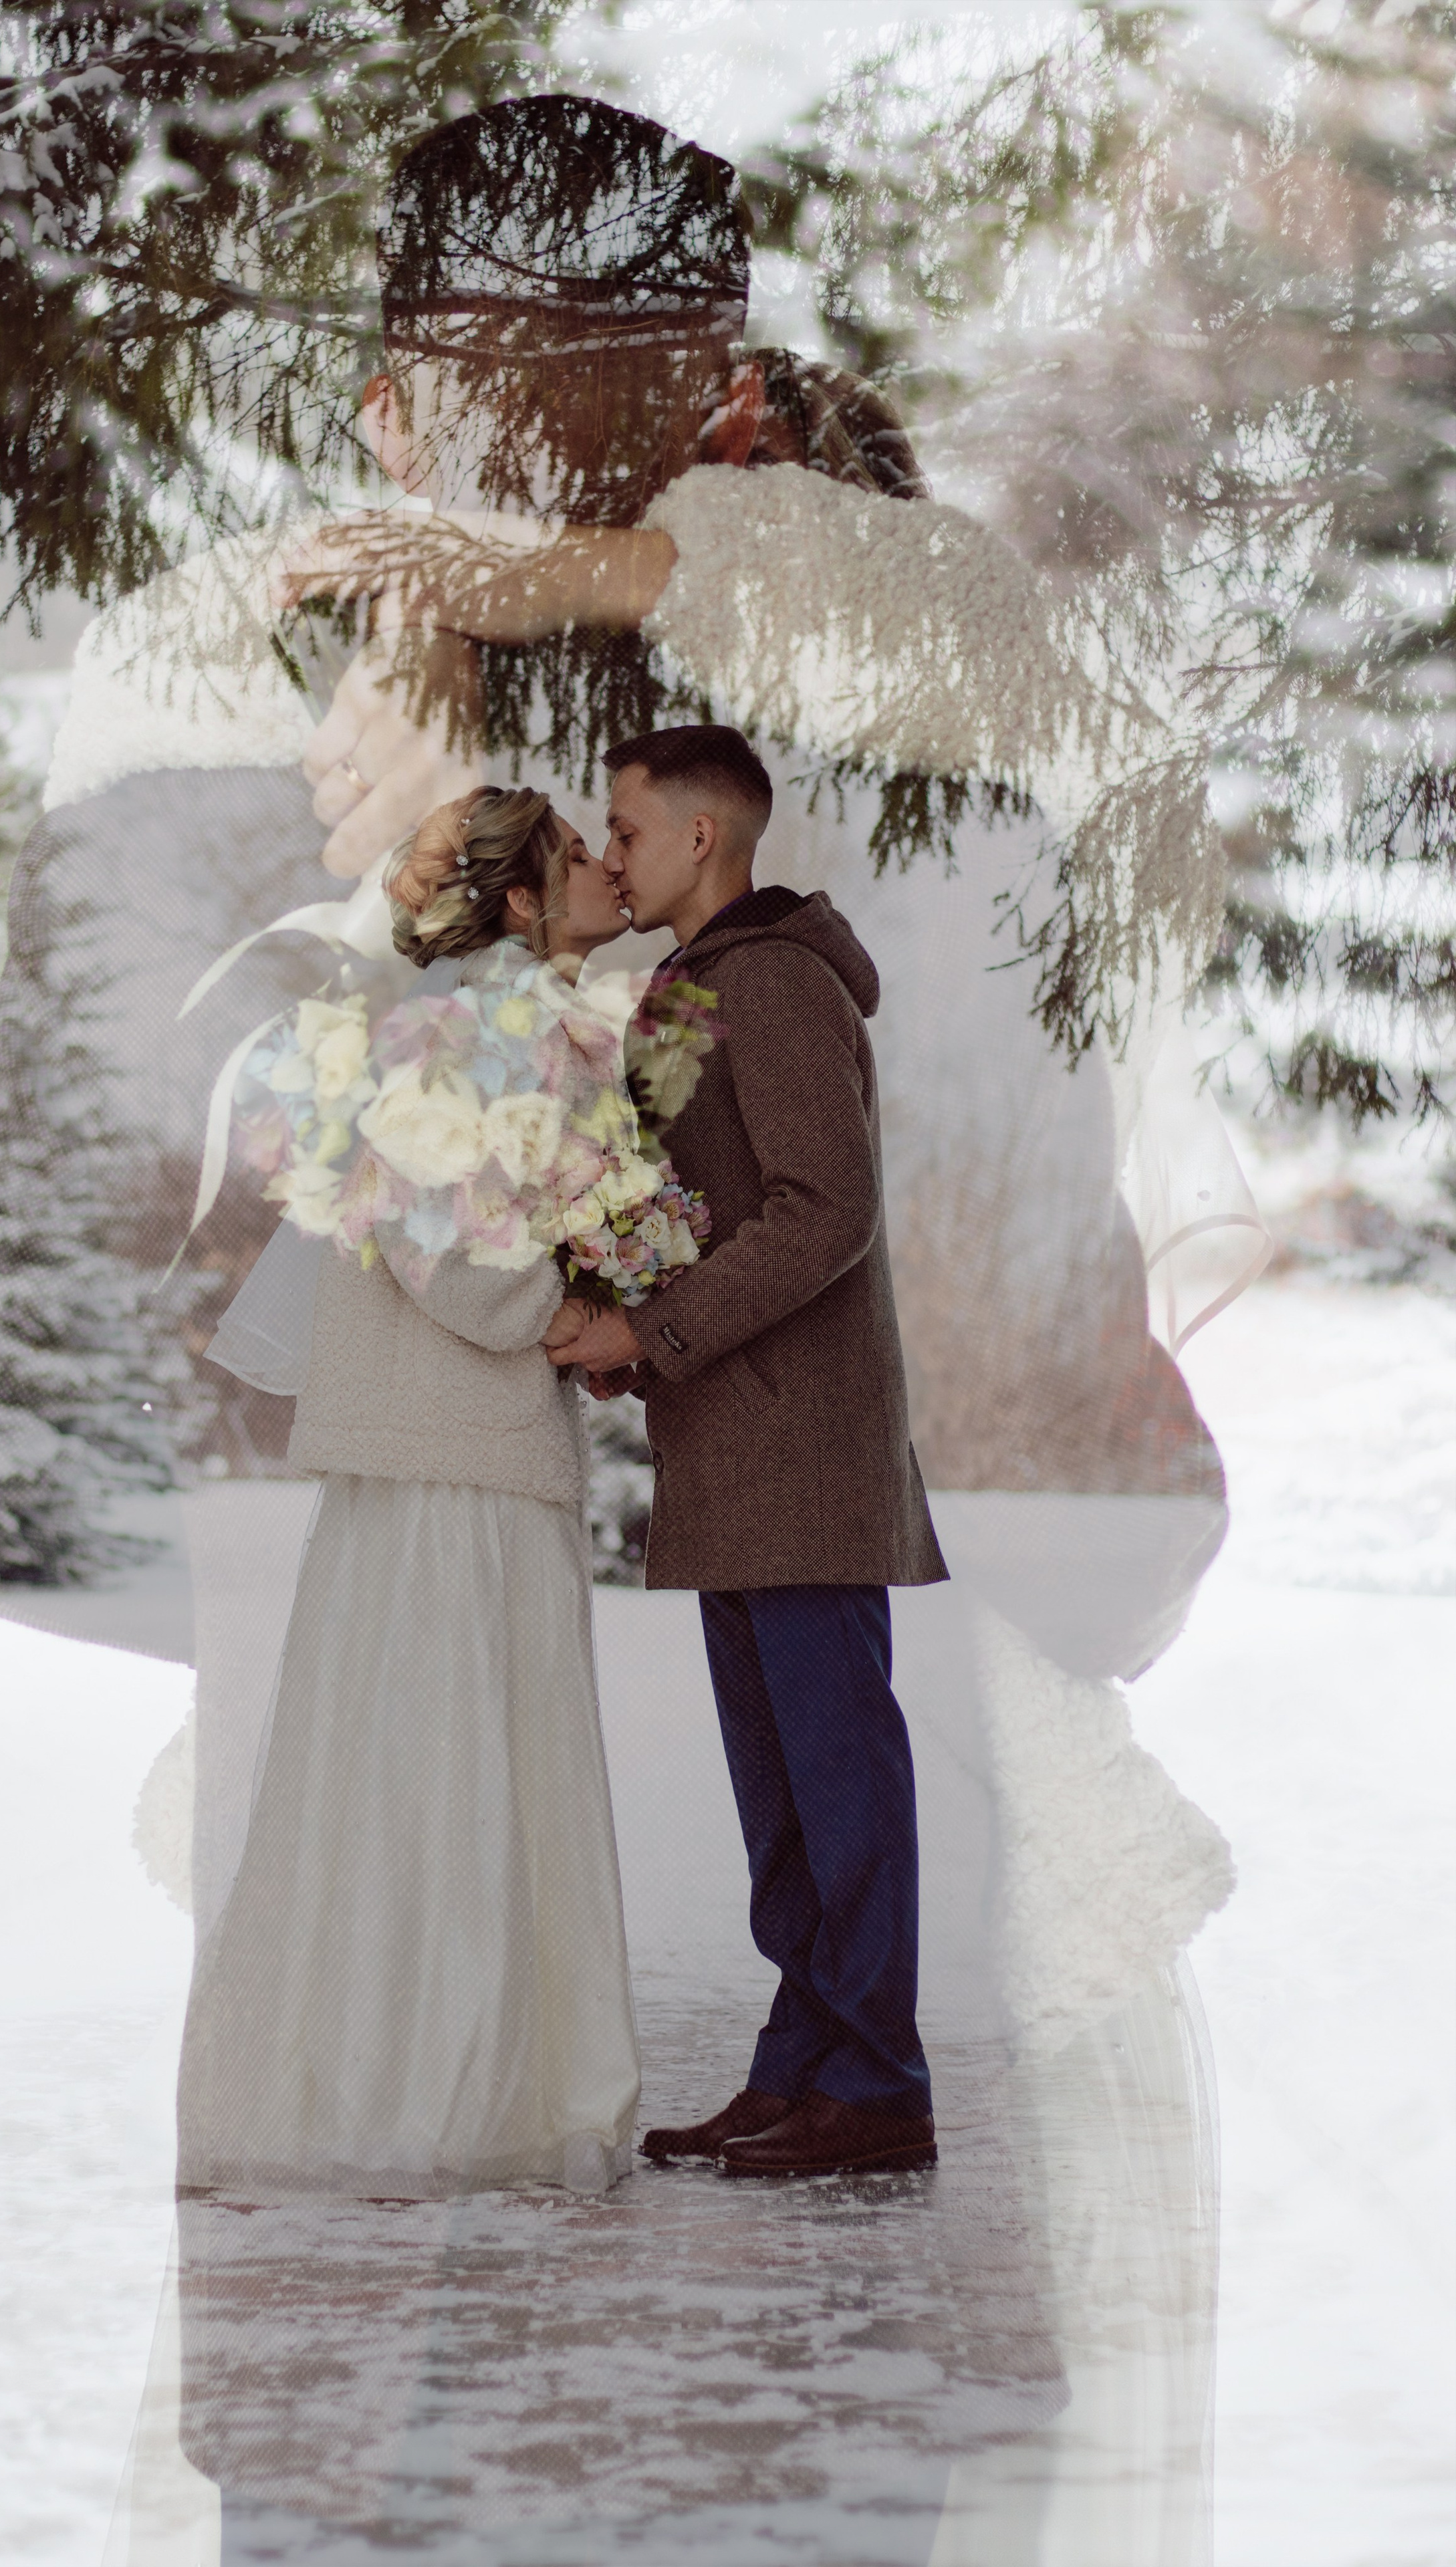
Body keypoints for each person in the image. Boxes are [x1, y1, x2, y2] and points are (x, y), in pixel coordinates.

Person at [176, 783, 642, 2201]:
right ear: (517, 902)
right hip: (456, 1448)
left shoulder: (508, 1025)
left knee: (447, 1756)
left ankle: (461, 2079)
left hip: (471, 1441)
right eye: (577, 860)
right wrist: (566, 1315)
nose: (603, 875)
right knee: (446, 1757)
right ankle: (428, 2091)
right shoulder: (473, 1027)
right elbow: (436, 1229)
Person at [547, 723, 950, 2179]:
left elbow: (821, 1209)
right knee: (781, 1795)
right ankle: (804, 2066)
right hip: (737, 1444)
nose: (610, 853)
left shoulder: (768, 985)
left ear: (699, 838)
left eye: (625, 828)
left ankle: (879, 2089)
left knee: (836, 1783)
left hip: (797, 1449)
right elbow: (702, 1205)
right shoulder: (695, 985)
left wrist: (647, 1333)